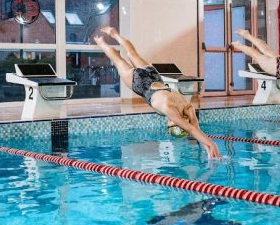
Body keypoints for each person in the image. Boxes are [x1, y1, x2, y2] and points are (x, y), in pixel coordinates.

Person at [94, 27, 222, 160]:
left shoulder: (187, 106)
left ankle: (114, 34)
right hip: (141, 84)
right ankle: (101, 42)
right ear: (173, 122)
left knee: (132, 53)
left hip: (154, 76)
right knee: (117, 60)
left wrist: (208, 144)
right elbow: (190, 129)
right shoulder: (169, 110)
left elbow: (194, 127)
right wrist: (211, 143)